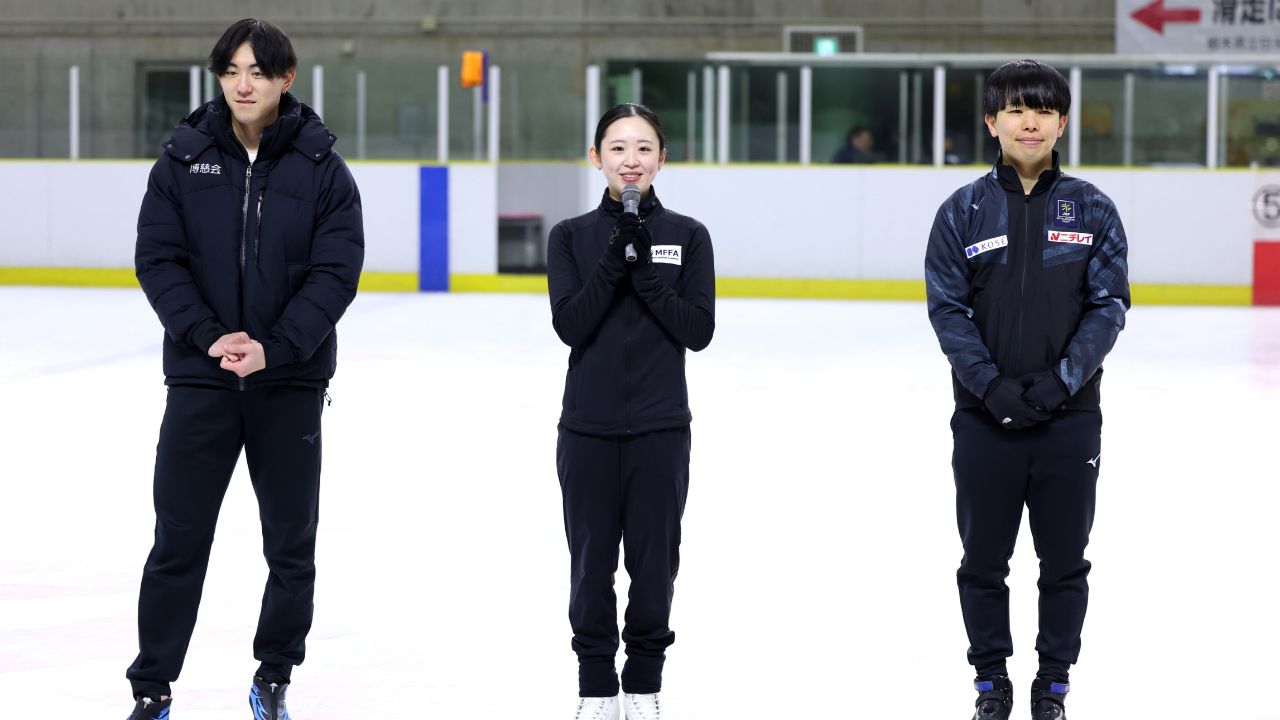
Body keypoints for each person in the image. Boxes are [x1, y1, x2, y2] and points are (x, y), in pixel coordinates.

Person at [126, 18, 364, 720]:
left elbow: (335, 272)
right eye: (232, 70)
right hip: (202, 380)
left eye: (258, 70)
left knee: (291, 542)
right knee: (178, 539)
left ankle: (274, 675)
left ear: (286, 79)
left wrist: (277, 347)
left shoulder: (322, 169)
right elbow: (158, 259)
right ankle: (153, 688)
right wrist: (207, 338)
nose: (243, 82)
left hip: (288, 382)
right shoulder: (182, 157)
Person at [924, 59, 1129, 720]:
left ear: (1062, 120)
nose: (1029, 119)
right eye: (1015, 108)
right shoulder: (962, 211)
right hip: (982, 421)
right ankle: (990, 681)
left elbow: (1109, 307)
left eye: (1042, 108)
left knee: (1065, 563)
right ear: (992, 121)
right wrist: (989, 388)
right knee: (983, 562)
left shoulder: (1093, 209)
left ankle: (1053, 683)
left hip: (1070, 422)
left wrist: (1058, 384)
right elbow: (947, 309)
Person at [547, 103, 715, 720]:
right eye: (617, 148)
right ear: (597, 159)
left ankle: (643, 686)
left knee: (653, 568)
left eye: (644, 148)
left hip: (660, 428)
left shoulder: (689, 236)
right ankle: (596, 688)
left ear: (662, 158)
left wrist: (644, 274)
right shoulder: (570, 236)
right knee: (591, 568)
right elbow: (571, 325)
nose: (631, 161)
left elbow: (698, 330)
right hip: (586, 429)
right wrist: (617, 254)